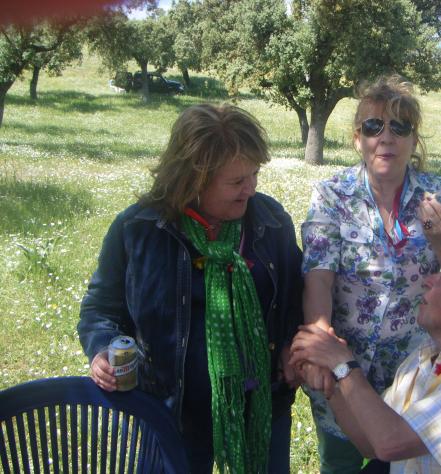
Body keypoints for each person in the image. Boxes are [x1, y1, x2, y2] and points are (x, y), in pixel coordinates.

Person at [78, 104, 303, 474]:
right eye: (236, 182)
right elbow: (100, 310)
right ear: (193, 180)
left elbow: (295, 297)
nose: (250, 189)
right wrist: (102, 349)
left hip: (260, 410)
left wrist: (292, 342)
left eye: (254, 174)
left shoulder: (271, 222)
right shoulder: (139, 229)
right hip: (168, 415)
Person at [299, 75, 441, 473]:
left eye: (400, 127)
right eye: (373, 126)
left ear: (414, 140)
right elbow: (318, 276)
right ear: (357, 138)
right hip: (343, 372)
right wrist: (319, 347)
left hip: (415, 376)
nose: (386, 137)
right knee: (340, 466)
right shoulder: (332, 194)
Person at [291, 244, 441, 473]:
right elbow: (370, 444)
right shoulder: (431, 353)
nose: (428, 281)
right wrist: (332, 383)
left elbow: (390, 444)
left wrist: (343, 363)